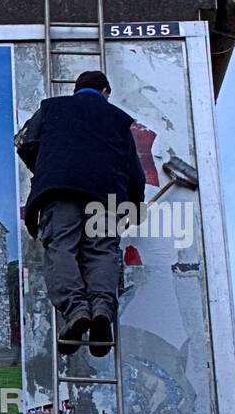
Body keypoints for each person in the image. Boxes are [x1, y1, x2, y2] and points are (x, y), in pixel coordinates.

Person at [14, 69, 145, 357]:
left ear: (76, 90)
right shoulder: (119, 120)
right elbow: (135, 175)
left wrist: (47, 167)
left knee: (62, 247)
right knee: (101, 251)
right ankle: (100, 309)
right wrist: (135, 208)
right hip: (106, 195)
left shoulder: (51, 108)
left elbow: (23, 142)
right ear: (105, 92)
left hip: (59, 190)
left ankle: (76, 311)